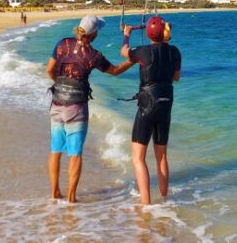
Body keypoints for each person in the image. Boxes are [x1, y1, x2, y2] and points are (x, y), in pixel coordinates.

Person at [46, 14, 135, 203]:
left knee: (55, 150)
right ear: (94, 34)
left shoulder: (62, 44)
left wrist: (61, 84)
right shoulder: (93, 55)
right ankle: (71, 197)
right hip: (77, 107)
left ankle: (54, 192)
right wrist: (133, 60)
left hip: (56, 103)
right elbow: (115, 70)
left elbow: (49, 70)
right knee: (75, 153)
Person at [120, 16, 181, 204]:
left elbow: (123, 52)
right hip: (166, 103)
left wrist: (126, 35)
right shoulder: (175, 52)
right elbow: (176, 77)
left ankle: (146, 205)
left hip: (147, 104)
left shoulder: (143, 52)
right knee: (161, 155)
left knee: (138, 157)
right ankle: (164, 199)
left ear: (148, 34)